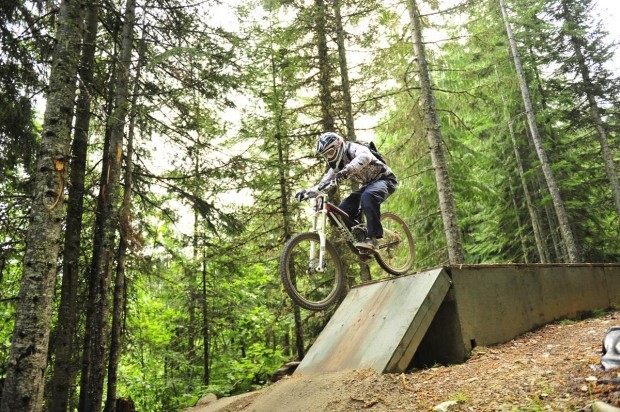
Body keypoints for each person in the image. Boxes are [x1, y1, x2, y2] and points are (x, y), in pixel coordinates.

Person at [295, 131, 397, 252]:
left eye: (330, 152)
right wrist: (307, 192)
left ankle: (372, 239)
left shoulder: (353, 148)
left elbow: (365, 156)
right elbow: (323, 183)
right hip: (367, 186)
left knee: (368, 196)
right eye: (326, 155)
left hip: (385, 179)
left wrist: (346, 170)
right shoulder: (338, 165)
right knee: (344, 208)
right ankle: (363, 241)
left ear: (338, 145)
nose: (329, 157)